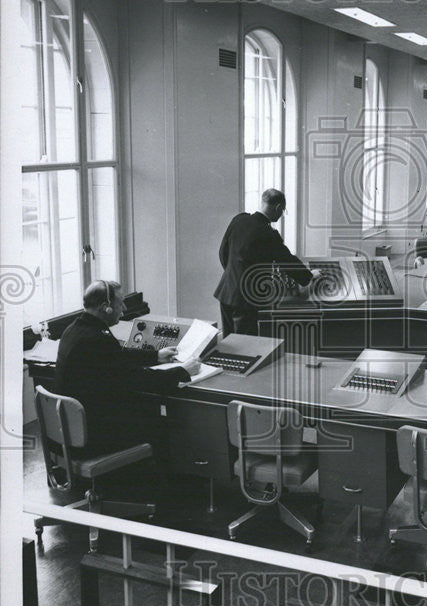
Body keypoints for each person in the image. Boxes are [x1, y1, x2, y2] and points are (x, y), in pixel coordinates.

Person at [54, 281, 199, 456]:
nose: (123, 308)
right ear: (105, 307)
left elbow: (117, 356)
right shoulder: (97, 340)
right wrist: (183, 371)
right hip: (93, 438)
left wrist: (155, 356)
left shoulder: (75, 329)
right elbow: (136, 378)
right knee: (161, 422)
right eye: (120, 302)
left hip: (72, 431)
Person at [214, 188, 319, 336]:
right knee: (245, 344)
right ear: (277, 207)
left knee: (228, 340)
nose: (282, 214)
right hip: (246, 298)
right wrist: (309, 276)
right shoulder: (268, 233)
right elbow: (287, 260)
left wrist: (233, 273)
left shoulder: (239, 220)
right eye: (282, 210)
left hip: (225, 290)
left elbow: (222, 252)